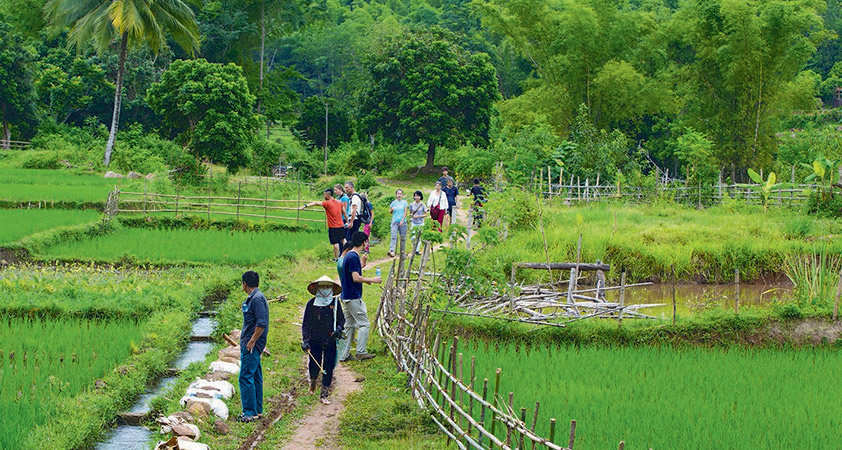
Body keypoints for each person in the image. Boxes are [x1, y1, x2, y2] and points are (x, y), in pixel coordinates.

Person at [301, 275, 344, 405]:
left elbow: (342, 319)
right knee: (314, 364)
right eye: (323, 287)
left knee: (329, 365)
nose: (325, 289)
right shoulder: (311, 304)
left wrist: (339, 328)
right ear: (318, 289)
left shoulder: (335, 303)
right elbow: (306, 324)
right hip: (315, 339)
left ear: (331, 289)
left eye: (328, 287)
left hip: (330, 339)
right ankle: (313, 381)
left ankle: (324, 392)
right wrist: (306, 340)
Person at [339, 231, 381, 362]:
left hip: (346, 295)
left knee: (349, 326)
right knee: (364, 324)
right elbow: (355, 278)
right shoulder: (353, 257)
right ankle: (361, 351)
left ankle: (344, 354)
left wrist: (362, 267)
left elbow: (353, 274)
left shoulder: (349, 256)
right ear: (364, 242)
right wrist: (372, 279)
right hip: (352, 296)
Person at [238, 271, 269, 423]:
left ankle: (249, 412)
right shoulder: (255, 298)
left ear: (245, 283)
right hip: (253, 344)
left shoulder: (256, 299)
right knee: (255, 375)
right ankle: (257, 410)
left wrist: (251, 341)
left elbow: (261, 323)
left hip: (252, 345)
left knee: (245, 377)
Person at [300, 189, 346, 260]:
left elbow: (315, 203)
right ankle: (347, 254)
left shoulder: (327, 203)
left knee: (335, 243)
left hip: (333, 227)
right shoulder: (339, 202)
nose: (324, 196)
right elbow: (344, 212)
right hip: (341, 225)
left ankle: (336, 258)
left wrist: (305, 206)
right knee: (343, 240)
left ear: (328, 195)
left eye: (324, 195)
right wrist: (348, 221)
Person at [388, 189, 408, 257]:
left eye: (400, 194)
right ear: (396, 195)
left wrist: (402, 220)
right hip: (395, 221)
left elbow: (405, 212)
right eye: (398, 194)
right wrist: (392, 209)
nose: (399, 195)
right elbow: (390, 212)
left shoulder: (404, 203)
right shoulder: (393, 202)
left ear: (402, 195)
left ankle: (402, 251)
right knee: (393, 236)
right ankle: (392, 250)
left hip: (403, 221)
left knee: (402, 237)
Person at [408, 190, 426, 255]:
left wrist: (419, 216)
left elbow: (425, 214)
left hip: (421, 222)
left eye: (418, 196)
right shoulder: (411, 204)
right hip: (414, 222)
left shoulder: (423, 205)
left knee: (419, 237)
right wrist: (412, 215)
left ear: (420, 197)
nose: (417, 197)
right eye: (415, 196)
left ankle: (417, 250)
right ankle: (414, 247)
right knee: (413, 236)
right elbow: (410, 213)